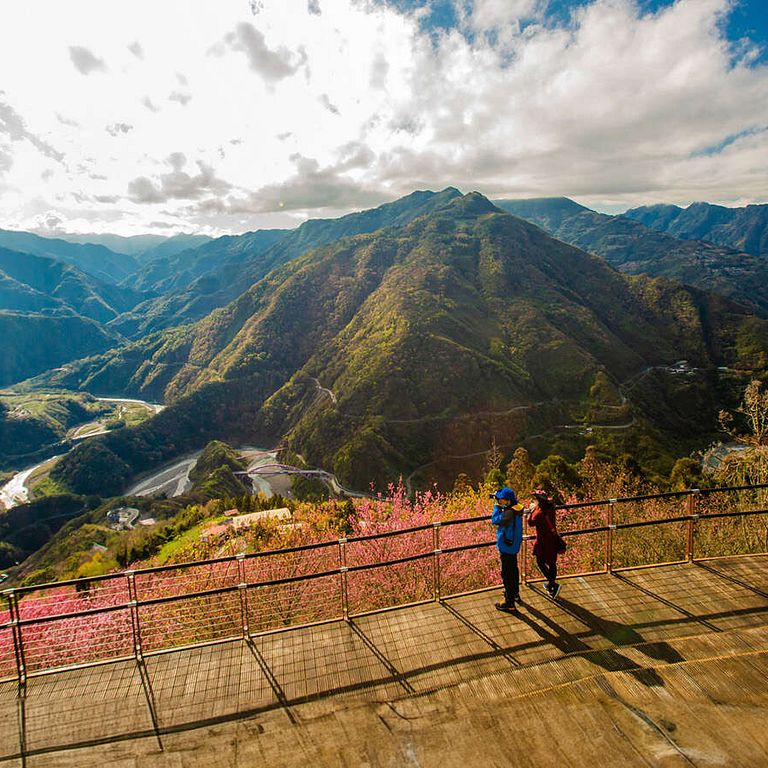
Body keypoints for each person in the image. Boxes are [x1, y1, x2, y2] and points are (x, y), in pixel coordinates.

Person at [491, 487, 524, 614]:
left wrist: (496, 508)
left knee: (506, 573)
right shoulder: (516, 509)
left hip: (507, 545)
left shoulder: (508, 513)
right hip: (514, 544)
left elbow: (495, 520)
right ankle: (515, 593)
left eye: (500, 500)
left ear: (507, 501)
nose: (498, 501)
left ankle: (509, 602)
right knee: (513, 569)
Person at [526, 488, 563, 599]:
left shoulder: (539, 514)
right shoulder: (551, 507)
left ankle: (553, 584)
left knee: (540, 562)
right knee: (552, 563)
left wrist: (531, 511)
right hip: (552, 539)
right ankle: (551, 584)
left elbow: (530, 523)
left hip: (543, 542)